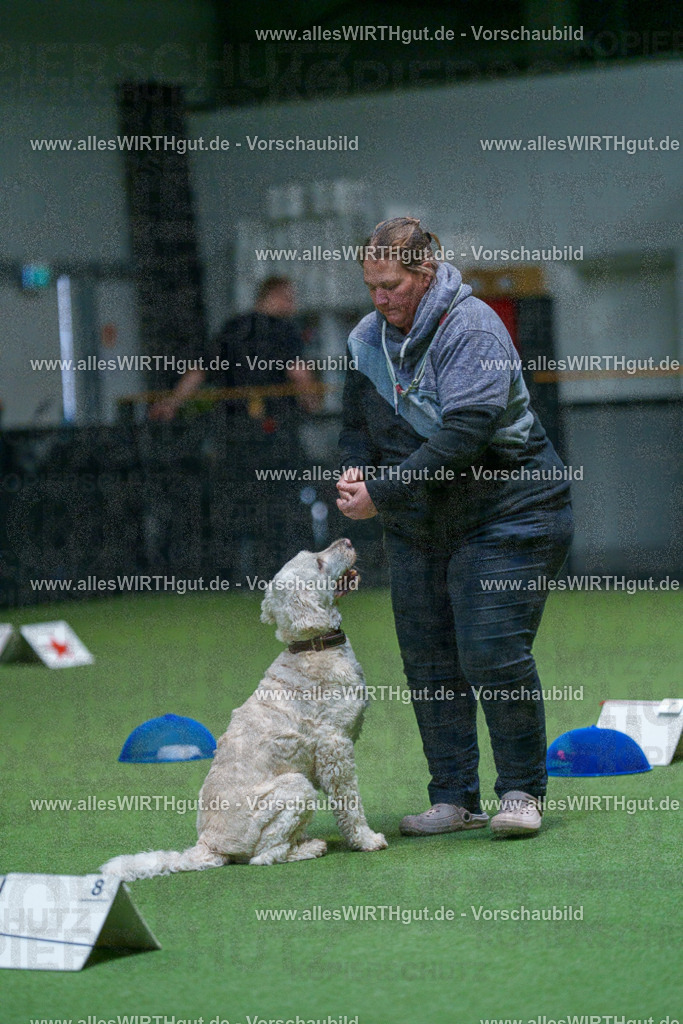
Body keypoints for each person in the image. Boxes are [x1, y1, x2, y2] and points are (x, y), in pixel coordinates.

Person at [336, 217, 574, 838]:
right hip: (422, 519)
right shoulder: (367, 339)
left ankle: (521, 792)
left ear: (426, 273)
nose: (380, 299)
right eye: (371, 286)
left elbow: (464, 436)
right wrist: (354, 473)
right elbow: (355, 426)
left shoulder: (472, 329)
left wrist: (382, 492)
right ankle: (453, 798)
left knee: (491, 650)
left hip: (511, 510)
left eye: (391, 286)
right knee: (429, 660)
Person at [150, 276, 319, 422]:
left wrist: (171, 403)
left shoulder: (233, 328)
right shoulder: (285, 330)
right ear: (274, 295)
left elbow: (200, 370)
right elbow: (297, 371)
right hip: (276, 419)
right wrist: (311, 401)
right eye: (290, 299)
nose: (294, 306)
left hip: (233, 421)